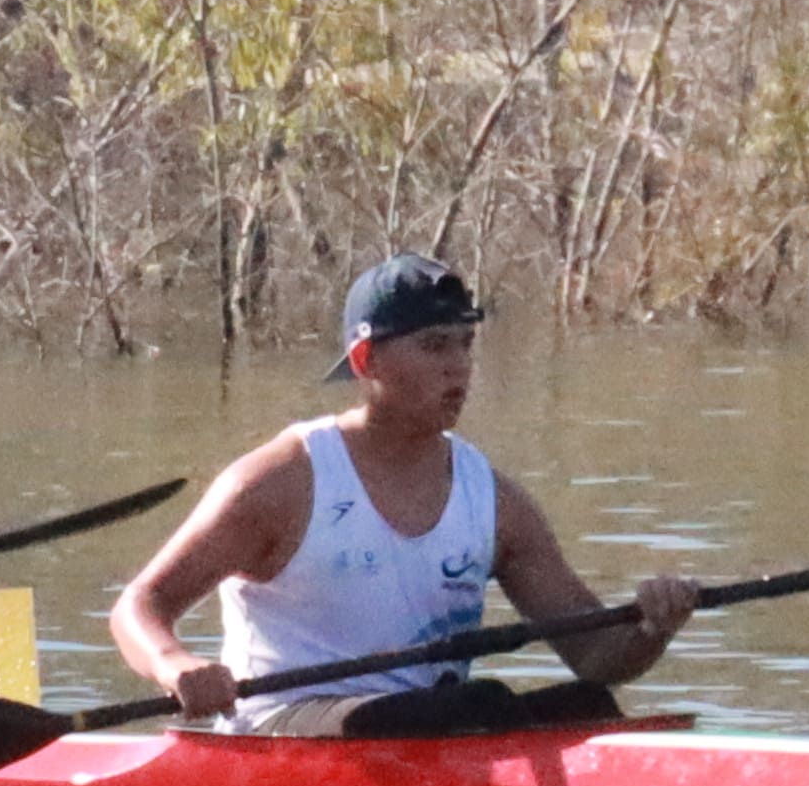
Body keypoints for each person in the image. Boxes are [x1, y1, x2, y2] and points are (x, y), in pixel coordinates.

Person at [104, 254, 703, 735]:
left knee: (585, 704)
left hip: (433, 728)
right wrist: (174, 665)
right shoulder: (280, 483)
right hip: (286, 729)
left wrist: (652, 628)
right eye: (434, 347)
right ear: (367, 360)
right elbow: (140, 606)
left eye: (465, 346)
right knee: (478, 704)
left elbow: (596, 655)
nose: (459, 369)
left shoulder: (494, 501)